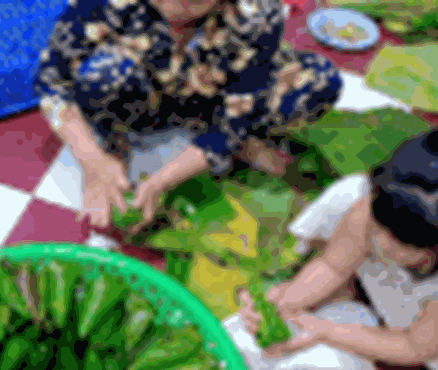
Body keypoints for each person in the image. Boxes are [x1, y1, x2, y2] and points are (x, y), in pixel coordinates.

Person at [35, 0, 343, 231]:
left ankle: (227, 140)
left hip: (214, 87)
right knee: (102, 75)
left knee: (317, 82)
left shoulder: (258, 10)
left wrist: (159, 182)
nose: (175, 7)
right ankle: (117, 145)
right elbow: (51, 81)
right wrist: (92, 160)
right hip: (142, 86)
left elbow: (247, 94)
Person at [236, 129, 438, 370]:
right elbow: (333, 266)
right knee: (347, 207)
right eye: (378, 226)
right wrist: (285, 302)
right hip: (407, 300)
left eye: (399, 242)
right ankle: (362, 301)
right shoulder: (371, 205)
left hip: (427, 336)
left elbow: (413, 345)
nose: (380, 242)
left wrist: (325, 330)